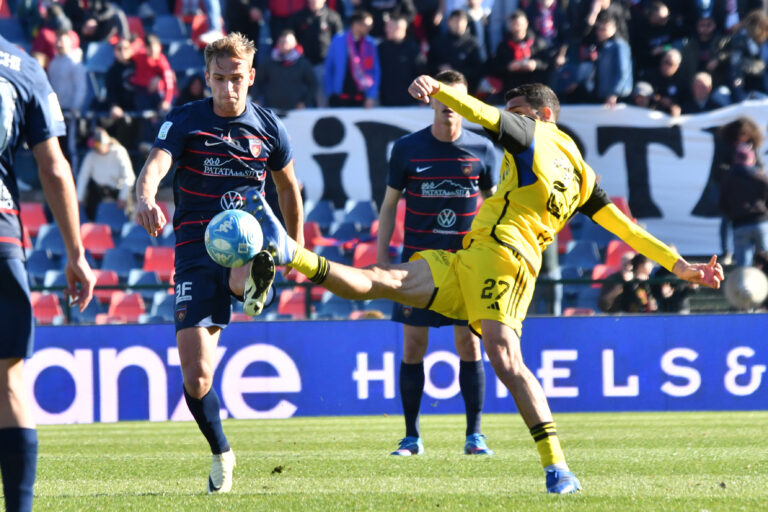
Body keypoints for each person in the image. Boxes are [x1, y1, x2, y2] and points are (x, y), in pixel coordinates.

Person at [243, 77, 724, 494]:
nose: (511, 122)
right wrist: (679, 264)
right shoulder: (582, 176)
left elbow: (488, 116)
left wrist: (440, 89)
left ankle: (557, 465)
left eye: (520, 112)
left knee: (503, 356)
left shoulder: (534, 132)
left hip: (506, 258)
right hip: (468, 254)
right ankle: (293, 253)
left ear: (544, 113)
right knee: (381, 280)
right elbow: (624, 226)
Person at [134, 32, 304, 494]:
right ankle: (221, 452)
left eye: (236, 79)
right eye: (218, 79)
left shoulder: (268, 127)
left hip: (247, 241)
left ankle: (249, 280)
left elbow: (288, 188)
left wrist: (299, 244)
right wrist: (146, 196)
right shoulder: (186, 120)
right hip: (192, 252)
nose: (228, 88)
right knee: (197, 376)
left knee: (250, 242)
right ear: (206, 78)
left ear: (250, 77)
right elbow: (156, 162)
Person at [377, 70, 498, 457]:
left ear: (467, 104)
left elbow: (496, 209)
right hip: (417, 263)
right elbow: (389, 206)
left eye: (457, 100)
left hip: (466, 264)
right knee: (413, 346)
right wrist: (382, 262)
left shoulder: (483, 150)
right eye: (442, 98)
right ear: (432, 101)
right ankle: (411, 436)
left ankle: (474, 435)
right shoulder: (407, 149)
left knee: (469, 345)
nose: (448, 106)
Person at [0, 34, 95, 512]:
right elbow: (54, 168)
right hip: (1, 236)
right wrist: (76, 252)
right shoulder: (23, 66)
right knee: (10, 379)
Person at [719, 142, 768, 267]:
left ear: (736, 159)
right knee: (766, 257)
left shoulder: (729, 178)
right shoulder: (760, 175)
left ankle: (744, 287)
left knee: (743, 265)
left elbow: (722, 203)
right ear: (752, 159)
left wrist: (733, 216)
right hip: (760, 223)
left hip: (740, 225)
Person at [76, 127, 135, 221]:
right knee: (90, 203)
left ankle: (127, 222)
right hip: (98, 192)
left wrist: (122, 197)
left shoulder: (119, 152)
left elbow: (129, 176)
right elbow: (83, 177)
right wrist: (79, 198)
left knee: (127, 204)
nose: (98, 148)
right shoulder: (91, 156)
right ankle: (93, 225)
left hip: (117, 189)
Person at [324, 10, 380, 108]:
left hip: (361, 96)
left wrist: (371, 96)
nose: (370, 28)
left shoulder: (370, 43)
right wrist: (330, 92)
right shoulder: (338, 40)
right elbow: (329, 67)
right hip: (339, 95)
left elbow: (375, 71)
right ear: (356, 24)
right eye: (366, 25)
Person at [257, 30, 318, 111]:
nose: (283, 45)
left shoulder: (303, 63)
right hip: (272, 110)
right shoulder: (269, 62)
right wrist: (256, 99)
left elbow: (313, 84)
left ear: (294, 44)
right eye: (281, 42)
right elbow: (258, 82)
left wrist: (304, 102)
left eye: (286, 42)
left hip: (296, 111)